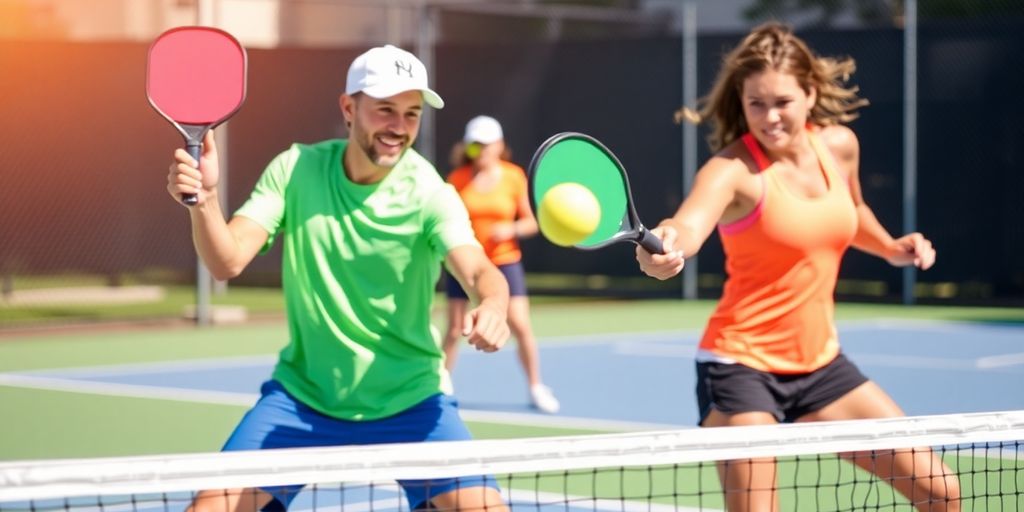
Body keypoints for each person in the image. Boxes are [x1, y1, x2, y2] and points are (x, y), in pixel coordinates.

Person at [167, 44, 511, 512]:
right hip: (303, 402)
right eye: (385, 110)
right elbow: (227, 261)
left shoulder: (431, 192)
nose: (398, 127)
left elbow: (478, 269)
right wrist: (206, 199)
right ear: (349, 108)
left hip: (411, 402)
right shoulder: (295, 170)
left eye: (411, 114)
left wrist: (493, 304)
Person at [637, 24, 959, 512]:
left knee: (942, 493)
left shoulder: (839, 147)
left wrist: (892, 248)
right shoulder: (730, 171)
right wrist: (662, 251)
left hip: (822, 365)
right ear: (740, 103)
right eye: (756, 104)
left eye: (782, 102)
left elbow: (851, 214)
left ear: (810, 94)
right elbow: (685, 226)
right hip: (741, 367)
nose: (769, 118)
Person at [442, 115, 560, 414]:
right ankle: (439, 389)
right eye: (475, 145)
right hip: (464, 263)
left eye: (486, 144)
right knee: (455, 329)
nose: (480, 150)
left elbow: (533, 222)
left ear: (499, 145)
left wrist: (511, 230)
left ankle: (536, 386)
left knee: (520, 325)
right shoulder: (456, 179)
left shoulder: (513, 177)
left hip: (505, 262)